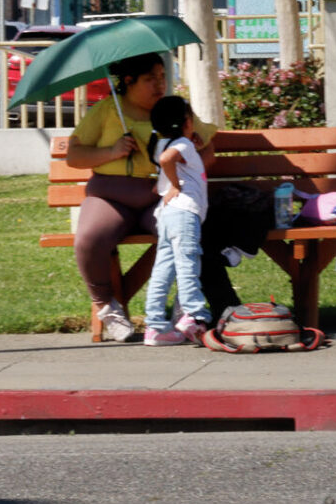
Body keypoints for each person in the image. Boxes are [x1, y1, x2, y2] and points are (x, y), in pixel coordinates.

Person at [62, 53, 223, 341]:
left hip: (161, 196)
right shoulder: (107, 110)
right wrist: (110, 152)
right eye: (150, 79)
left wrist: (193, 154)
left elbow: (208, 150)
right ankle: (107, 306)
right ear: (128, 81)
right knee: (89, 238)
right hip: (110, 197)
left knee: (181, 234)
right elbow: (74, 155)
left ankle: (182, 308)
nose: (159, 85)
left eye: (162, 77)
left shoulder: (173, 109)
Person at [143, 96, 212, 345]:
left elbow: (166, 158)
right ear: (187, 121)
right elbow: (167, 160)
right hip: (184, 213)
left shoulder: (163, 143)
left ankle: (155, 326)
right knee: (188, 264)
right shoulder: (181, 144)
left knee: (163, 269)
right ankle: (193, 315)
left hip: (167, 215)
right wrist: (174, 184)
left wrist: (192, 146)